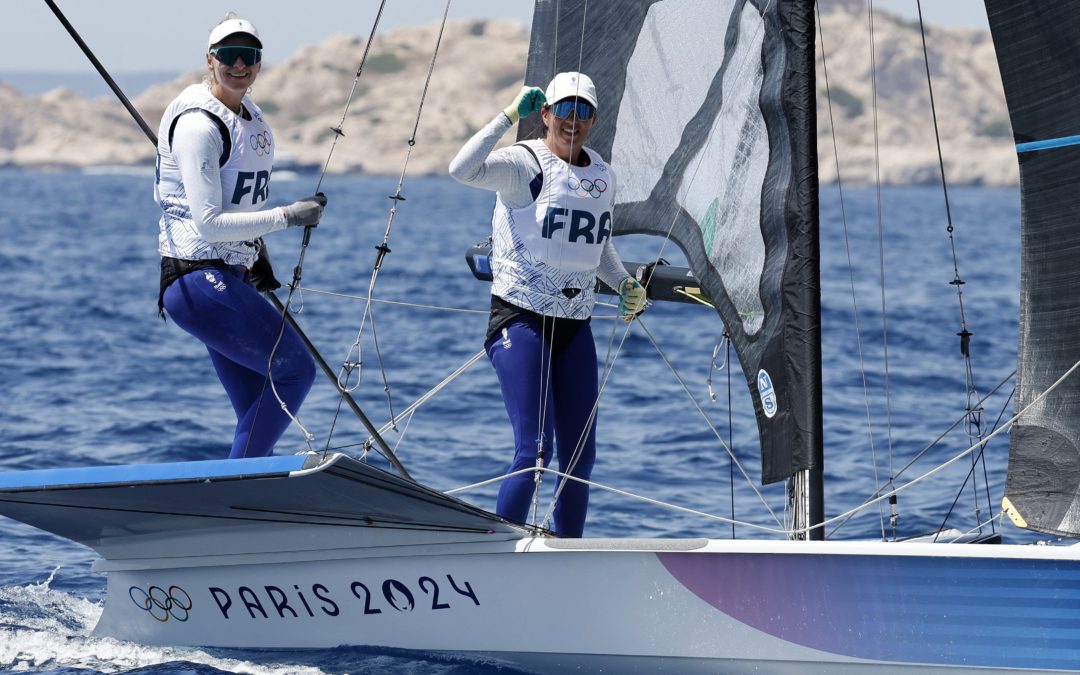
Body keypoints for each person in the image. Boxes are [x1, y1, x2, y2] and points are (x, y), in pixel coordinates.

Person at [449, 71, 647, 537]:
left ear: (594, 119)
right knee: (535, 451)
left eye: (583, 111)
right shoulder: (523, 165)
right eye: (564, 109)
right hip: (520, 320)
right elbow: (461, 169)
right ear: (545, 114)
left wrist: (623, 283)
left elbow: (599, 246)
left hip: (575, 326)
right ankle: (501, 549)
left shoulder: (602, 175)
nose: (572, 120)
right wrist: (507, 116)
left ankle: (566, 554)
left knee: (580, 458)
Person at [155, 14, 324, 459]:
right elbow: (209, 223)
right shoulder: (198, 126)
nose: (239, 64)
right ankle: (236, 487)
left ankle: (239, 487)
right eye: (229, 55)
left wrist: (256, 254)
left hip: (230, 276)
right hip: (195, 280)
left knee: (262, 407)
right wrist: (288, 216)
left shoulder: (251, 118)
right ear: (210, 60)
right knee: (295, 372)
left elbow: (239, 207)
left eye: (248, 55)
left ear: (259, 63)